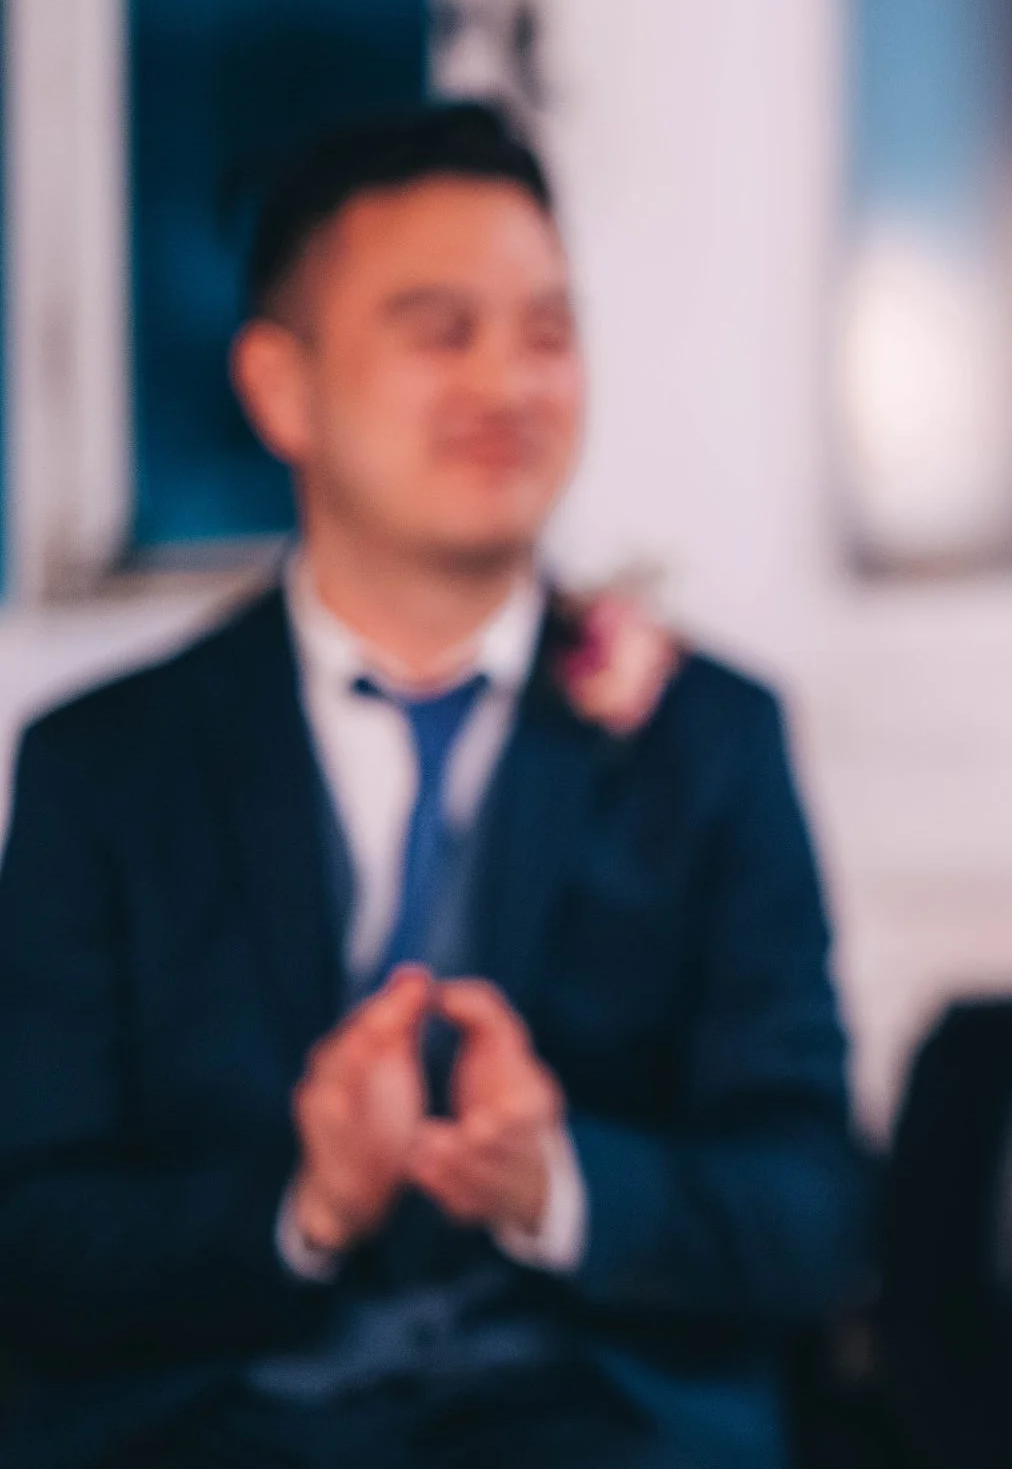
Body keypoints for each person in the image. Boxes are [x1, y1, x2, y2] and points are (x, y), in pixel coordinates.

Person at [0, 103, 870, 1469]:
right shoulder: (102, 767)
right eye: (439, 331)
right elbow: (31, 1232)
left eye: (546, 331)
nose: (506, 384)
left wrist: (562, 1184)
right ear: (281, 388)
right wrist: (305, 1199)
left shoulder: (710, 736)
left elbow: (812, 1209)